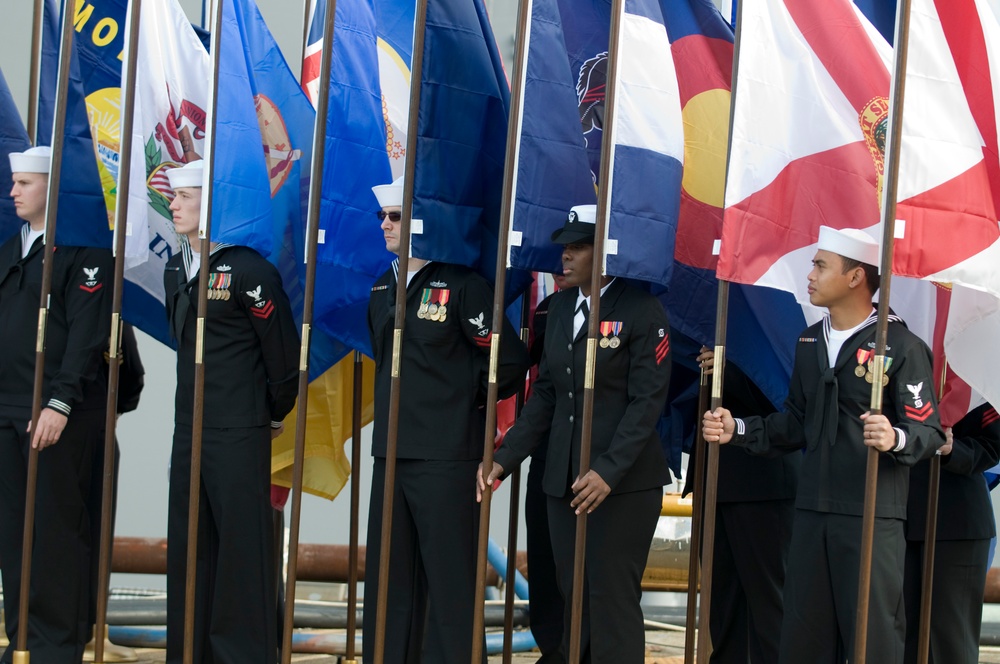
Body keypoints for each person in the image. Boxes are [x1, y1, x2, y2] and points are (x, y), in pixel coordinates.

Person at [703, 225, 946, 664]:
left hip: (871, 513)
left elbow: (930, 431)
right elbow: (796, 423)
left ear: (855, 277)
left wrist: (896, 437)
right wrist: (737, 429)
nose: (810, 274)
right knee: (804, 635)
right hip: (812, 511)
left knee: (871, 637)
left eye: (820, 265)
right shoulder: (809, 341)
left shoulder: (901, 346)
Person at [480, 205, 673, 663]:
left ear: (604, 250)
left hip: (621, 485)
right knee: (574, 598)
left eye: (578, 246)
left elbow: (647, 403)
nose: (565, 256)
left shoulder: (643, 311)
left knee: (610, 599)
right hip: (563, 481)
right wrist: (505, 460)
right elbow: (547, 393)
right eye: (565, 247)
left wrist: (607, 472)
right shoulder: (562, 306)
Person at [363, 175, 530, 664]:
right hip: (390, 453)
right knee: (390, 584)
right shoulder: (381, 286)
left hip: (446, 456)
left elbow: (509, 361)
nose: (386, 225)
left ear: (419, 221)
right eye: (383, 217)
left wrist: (463, 401)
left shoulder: (460, 285)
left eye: (395, 216)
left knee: (449, 583)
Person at [163, 160, 299, 664]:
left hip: (239, 430)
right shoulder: (178, 267)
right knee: (191, 548)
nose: (173, 204)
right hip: (188, 430)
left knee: (241, 553)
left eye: (185, 197)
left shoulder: (248, 270)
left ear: (213, 204)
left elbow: (282, 358)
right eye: (174, 197)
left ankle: (241, 655)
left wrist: (269, 412)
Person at [0, 145, 113, 662]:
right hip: (7, 410)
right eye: (14, 182)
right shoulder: (11, 250)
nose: (13, 192)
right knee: (14, 533)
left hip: (56, 416)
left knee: (55, 532)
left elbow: (87, 337)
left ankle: (54, 647)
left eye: (24, 183)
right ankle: (21, 639)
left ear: (52, 186)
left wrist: (60, 402)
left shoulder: (82, 252)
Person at [684, 346, 797, 664]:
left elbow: (783, 393)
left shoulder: (771, 308)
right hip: (715, 479)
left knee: (771, 604)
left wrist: (730, 364)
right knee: (722, 604)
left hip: (765, 480)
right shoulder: (711, 314)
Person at [903, 401, 1000, 663]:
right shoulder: (892, 360)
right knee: (900, 641)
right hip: (894, 517)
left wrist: (952, 449)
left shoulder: (972, 375)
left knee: (948, 644)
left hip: (956, 521)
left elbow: (992, 445)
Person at [525, 273, 569, 664]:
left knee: (580, 564)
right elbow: (540, 383)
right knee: (542, 555)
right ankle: (553, 648)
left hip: (595, 456)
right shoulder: (545, 310)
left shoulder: (630, 308)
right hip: (546, 446)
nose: (562, 262)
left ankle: (575, 648)